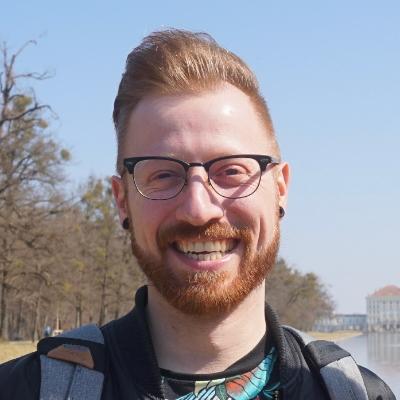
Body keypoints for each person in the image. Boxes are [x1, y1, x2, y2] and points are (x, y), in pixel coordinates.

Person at [0, 29, 395, 400]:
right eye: (162, 174)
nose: (198, 208)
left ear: (280, 188)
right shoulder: (23, 389)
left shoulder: (358, 392)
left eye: (231, 171)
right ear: (122, 200)